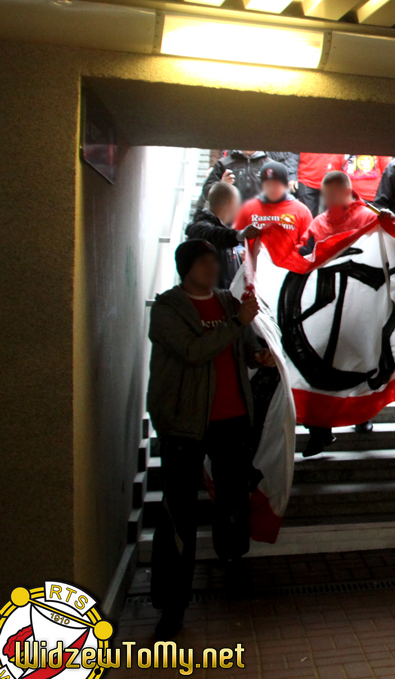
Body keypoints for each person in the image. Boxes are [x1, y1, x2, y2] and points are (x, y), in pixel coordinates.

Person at [147, 240, 275, 639]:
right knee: (178, 514)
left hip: (232, 419)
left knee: (234, 499)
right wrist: (237, 323)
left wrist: (258, 353)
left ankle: (233, 564)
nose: (212, 267)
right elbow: (191, 351)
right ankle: (172, 603)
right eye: (203, 262)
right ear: (186, 268)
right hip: (184, 425)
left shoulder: (225, 301)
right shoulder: (168, 309)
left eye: (213, 261)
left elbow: (244, 342)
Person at [299, 171, 387, 450]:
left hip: (359, 307)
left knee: (360, 363)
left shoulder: (368, 218)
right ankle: (319, 430)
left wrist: (389, 222)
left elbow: (392, 243)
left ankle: (361, 415)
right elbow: (302, 256)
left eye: (332, 194)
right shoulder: (317, 224)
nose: (327, 200)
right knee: (314, 369)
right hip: (323, 306)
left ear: (347, 192)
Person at [185, 182, 261, 289]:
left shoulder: (223, 232)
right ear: (231, 203)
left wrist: (238, 258)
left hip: (223, 301)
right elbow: (212, 235)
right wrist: (239, 235)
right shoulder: (201, 227)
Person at [233, 161, 313, 244]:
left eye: (276, 185)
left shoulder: (301, 211)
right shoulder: (248, 208)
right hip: (255, 256)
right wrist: (241, 249)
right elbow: (236, 240)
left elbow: (308, 246)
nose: (271, 189)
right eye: (267, 184)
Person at [201, 150, 297, 205]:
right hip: (230, 221)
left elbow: (283, 198)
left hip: (261, 220)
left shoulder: (271, 165)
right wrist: (221, 186)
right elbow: (207, 192)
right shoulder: (224, 163)